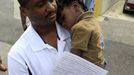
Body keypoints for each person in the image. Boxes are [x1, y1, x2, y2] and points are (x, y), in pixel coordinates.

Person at [8, 0, 71, 75]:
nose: (51, 8)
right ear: (24, 11)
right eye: (41, 5)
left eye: (51, 0)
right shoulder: (18, 56)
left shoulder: (74, 29)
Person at [56, 0, 106, 68]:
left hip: (90, 69)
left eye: (63, 18)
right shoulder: (92, 20)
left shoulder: (79, 27)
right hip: (101, 64)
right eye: (60, 23)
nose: (63, 24)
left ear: (75, 7)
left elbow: (74, 56)